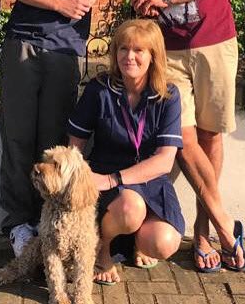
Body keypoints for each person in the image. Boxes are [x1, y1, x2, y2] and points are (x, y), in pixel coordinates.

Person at [115, 0, 245, 273]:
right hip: (165, 49)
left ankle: (204, 231)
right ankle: (228, 228)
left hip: (213, 40)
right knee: (182, 137)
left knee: (210, 134)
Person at [0, 0, 115, 257]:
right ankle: (18, 224)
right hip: (24, 42)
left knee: (55, 143)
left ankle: (48, 222)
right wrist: (60, 5)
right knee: (17, 137)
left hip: (67, 49)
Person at [68, 19, 183, 285]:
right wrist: (83, 183)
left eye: (138, 50)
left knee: (164, 244)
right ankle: (102, 248)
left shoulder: (168, 95)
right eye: (123, 49)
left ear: (153, 57)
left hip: (148, 182)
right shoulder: (99, 89)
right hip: (105, 182)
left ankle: (137, 244)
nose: (128, 57)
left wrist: (114, 179)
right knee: (131, 208)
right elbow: (75, 146)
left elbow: (165, 161)